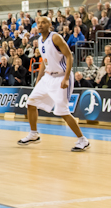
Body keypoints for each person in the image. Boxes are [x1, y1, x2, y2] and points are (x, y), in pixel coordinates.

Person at [18, 16, 89, 151]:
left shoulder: (55, 37)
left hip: (61, 77)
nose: (40, 25)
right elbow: (45, 63)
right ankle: (33, 134)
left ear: (50, 25)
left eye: (43, 22)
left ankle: (82, 139)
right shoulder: (39, 40)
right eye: (38, 23)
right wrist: (38, 80)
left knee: (62, 111)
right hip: (47, 77)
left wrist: (66, 78)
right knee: (31, 103)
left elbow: (69, 56)